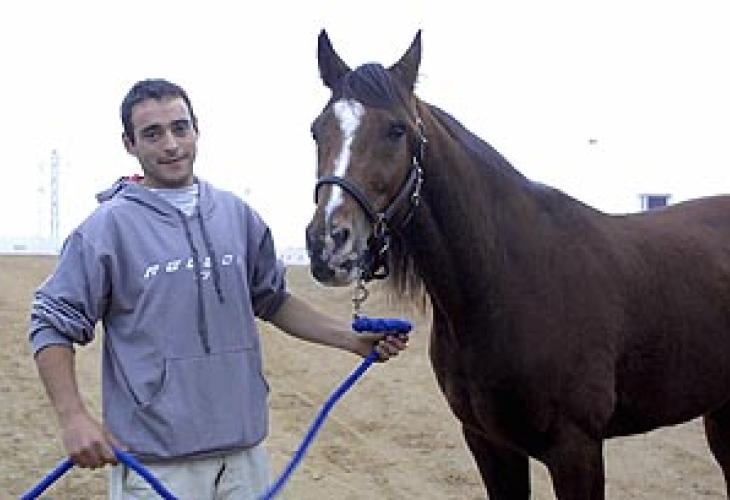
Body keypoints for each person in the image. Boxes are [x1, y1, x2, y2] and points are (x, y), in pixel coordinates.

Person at [29, 78, 408, 499]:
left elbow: (273, 300)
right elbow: (51, 324)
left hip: (243, 460)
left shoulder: (236, 215)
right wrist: (73, 418)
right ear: (129, 144)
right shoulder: (106, 229)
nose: (171, 145)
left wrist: (350, 339)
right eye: (152, 134)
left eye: (180, 128)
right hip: (156, 466)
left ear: (196, 131)